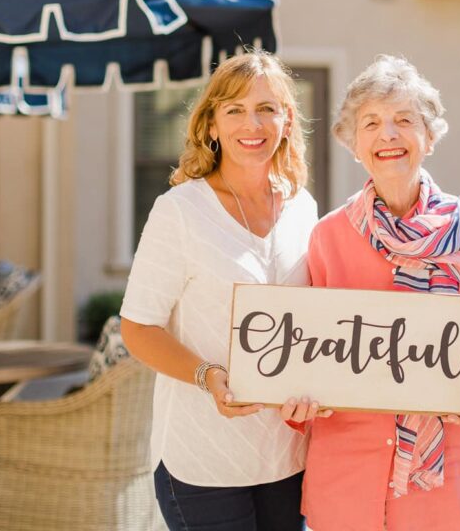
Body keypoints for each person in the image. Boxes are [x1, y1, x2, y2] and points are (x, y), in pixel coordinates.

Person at [280, 55, 460, 531]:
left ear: (429, 136)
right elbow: (306, 352)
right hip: (350, 477)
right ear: (353, 144)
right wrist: (298, 399)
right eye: (370, 123)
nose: (387, 135)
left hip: (453, 475)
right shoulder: (327, 237)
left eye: (404, 120)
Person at [120, 51, 322, 531]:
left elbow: (313, 322)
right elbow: (137, 326)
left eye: (266, 108)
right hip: (201, 458)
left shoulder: (303, 208)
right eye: (234, 110)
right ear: (211, 125)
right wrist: (206, 374)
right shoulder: (180, 211)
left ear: (287, 120)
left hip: (287, 456)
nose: (251, 124)